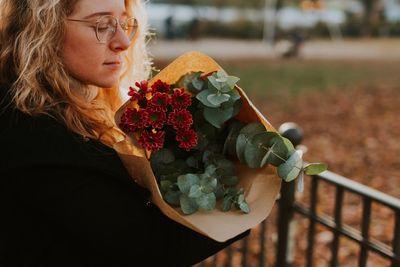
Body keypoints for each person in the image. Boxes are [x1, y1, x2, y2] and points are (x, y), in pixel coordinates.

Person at [0, 0, 249, 266]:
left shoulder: (73, 107)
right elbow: (152, 247)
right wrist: (247, 183)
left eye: (125, 22)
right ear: (43, 32)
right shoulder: (27, 129)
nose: (123, 41)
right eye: (102, 25)